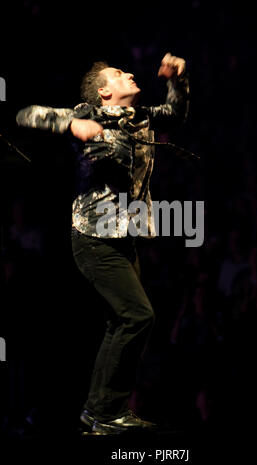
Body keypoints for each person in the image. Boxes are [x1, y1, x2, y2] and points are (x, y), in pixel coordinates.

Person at [16, 53, 190, 434]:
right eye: (118, 73)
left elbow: (176, 114)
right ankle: (104, 413)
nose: (129, 72)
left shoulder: (141, 116)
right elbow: (25, 114)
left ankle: (103, 412)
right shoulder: (90, 112)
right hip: (94, 237)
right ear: (104, 92)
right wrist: (72, 123)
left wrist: (176, 80)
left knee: (121, 323)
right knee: (137, 316)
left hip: (123, 236)